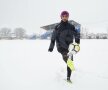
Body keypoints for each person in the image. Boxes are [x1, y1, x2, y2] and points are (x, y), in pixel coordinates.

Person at [48, 11, 80, 82]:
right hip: (61, 47)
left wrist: (77, 40)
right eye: (63, 16)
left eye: (66, 16)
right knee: (68, 60)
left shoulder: (71, 26)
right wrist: (51, 47)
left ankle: (68, 78)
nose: (65, 17)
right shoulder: (57, 27)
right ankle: (71, 65)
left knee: (70, 62)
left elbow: (77, 33)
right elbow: (53, 37)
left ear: (68, 17)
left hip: (70, 47)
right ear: (61, 17)